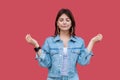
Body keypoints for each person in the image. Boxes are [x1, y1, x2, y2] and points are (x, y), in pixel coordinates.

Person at [25, 8, 103, 80]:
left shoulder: (79, 41)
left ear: (71, 23)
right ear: (57, 23)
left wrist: (92, 42)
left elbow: (83, 62)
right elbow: (46, 64)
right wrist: (36, 45)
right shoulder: (49, 41)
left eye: (67, 20)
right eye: (61, 20)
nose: (64, 22)